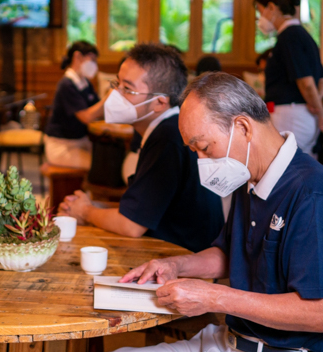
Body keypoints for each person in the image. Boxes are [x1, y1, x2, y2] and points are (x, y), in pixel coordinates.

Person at [88, 72, 323, 352]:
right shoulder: (252, 176)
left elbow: (321, 314)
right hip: (228, 347)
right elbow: (230, 254)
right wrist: (176, 266)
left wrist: (212, 298)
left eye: (204, 147)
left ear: (242, 127)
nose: (201, 161)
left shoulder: (312, 193)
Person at [59, 44, 224, 253]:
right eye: (117, 84)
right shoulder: (167, 127)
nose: (115, 95)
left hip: (182, 257)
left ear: (159, 102)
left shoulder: (167, 137)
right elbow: (143, 209)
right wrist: (94, 207)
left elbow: (131, 225)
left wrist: (85, 211)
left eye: (127, 89)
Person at [255, 0, 323, 156]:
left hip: (291, 118)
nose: (260, 17)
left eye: (260, 11)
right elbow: (322, 81)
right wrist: (314, 106)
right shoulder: (304, 35)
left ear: (271, 7)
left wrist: (319, 111)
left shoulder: (289, 37)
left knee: (283, 173)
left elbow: (306, 83)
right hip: (302, 115)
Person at [44, 41, 109, 170]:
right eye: (92, 60)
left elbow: (98, 109)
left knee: (109, 158)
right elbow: (87, 117)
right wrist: (108, 97)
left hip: (81, 141)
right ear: (78, 56)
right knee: (100, 167)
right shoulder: (67, 85)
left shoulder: (84, 83)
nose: (94, 65)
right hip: (62, 146)